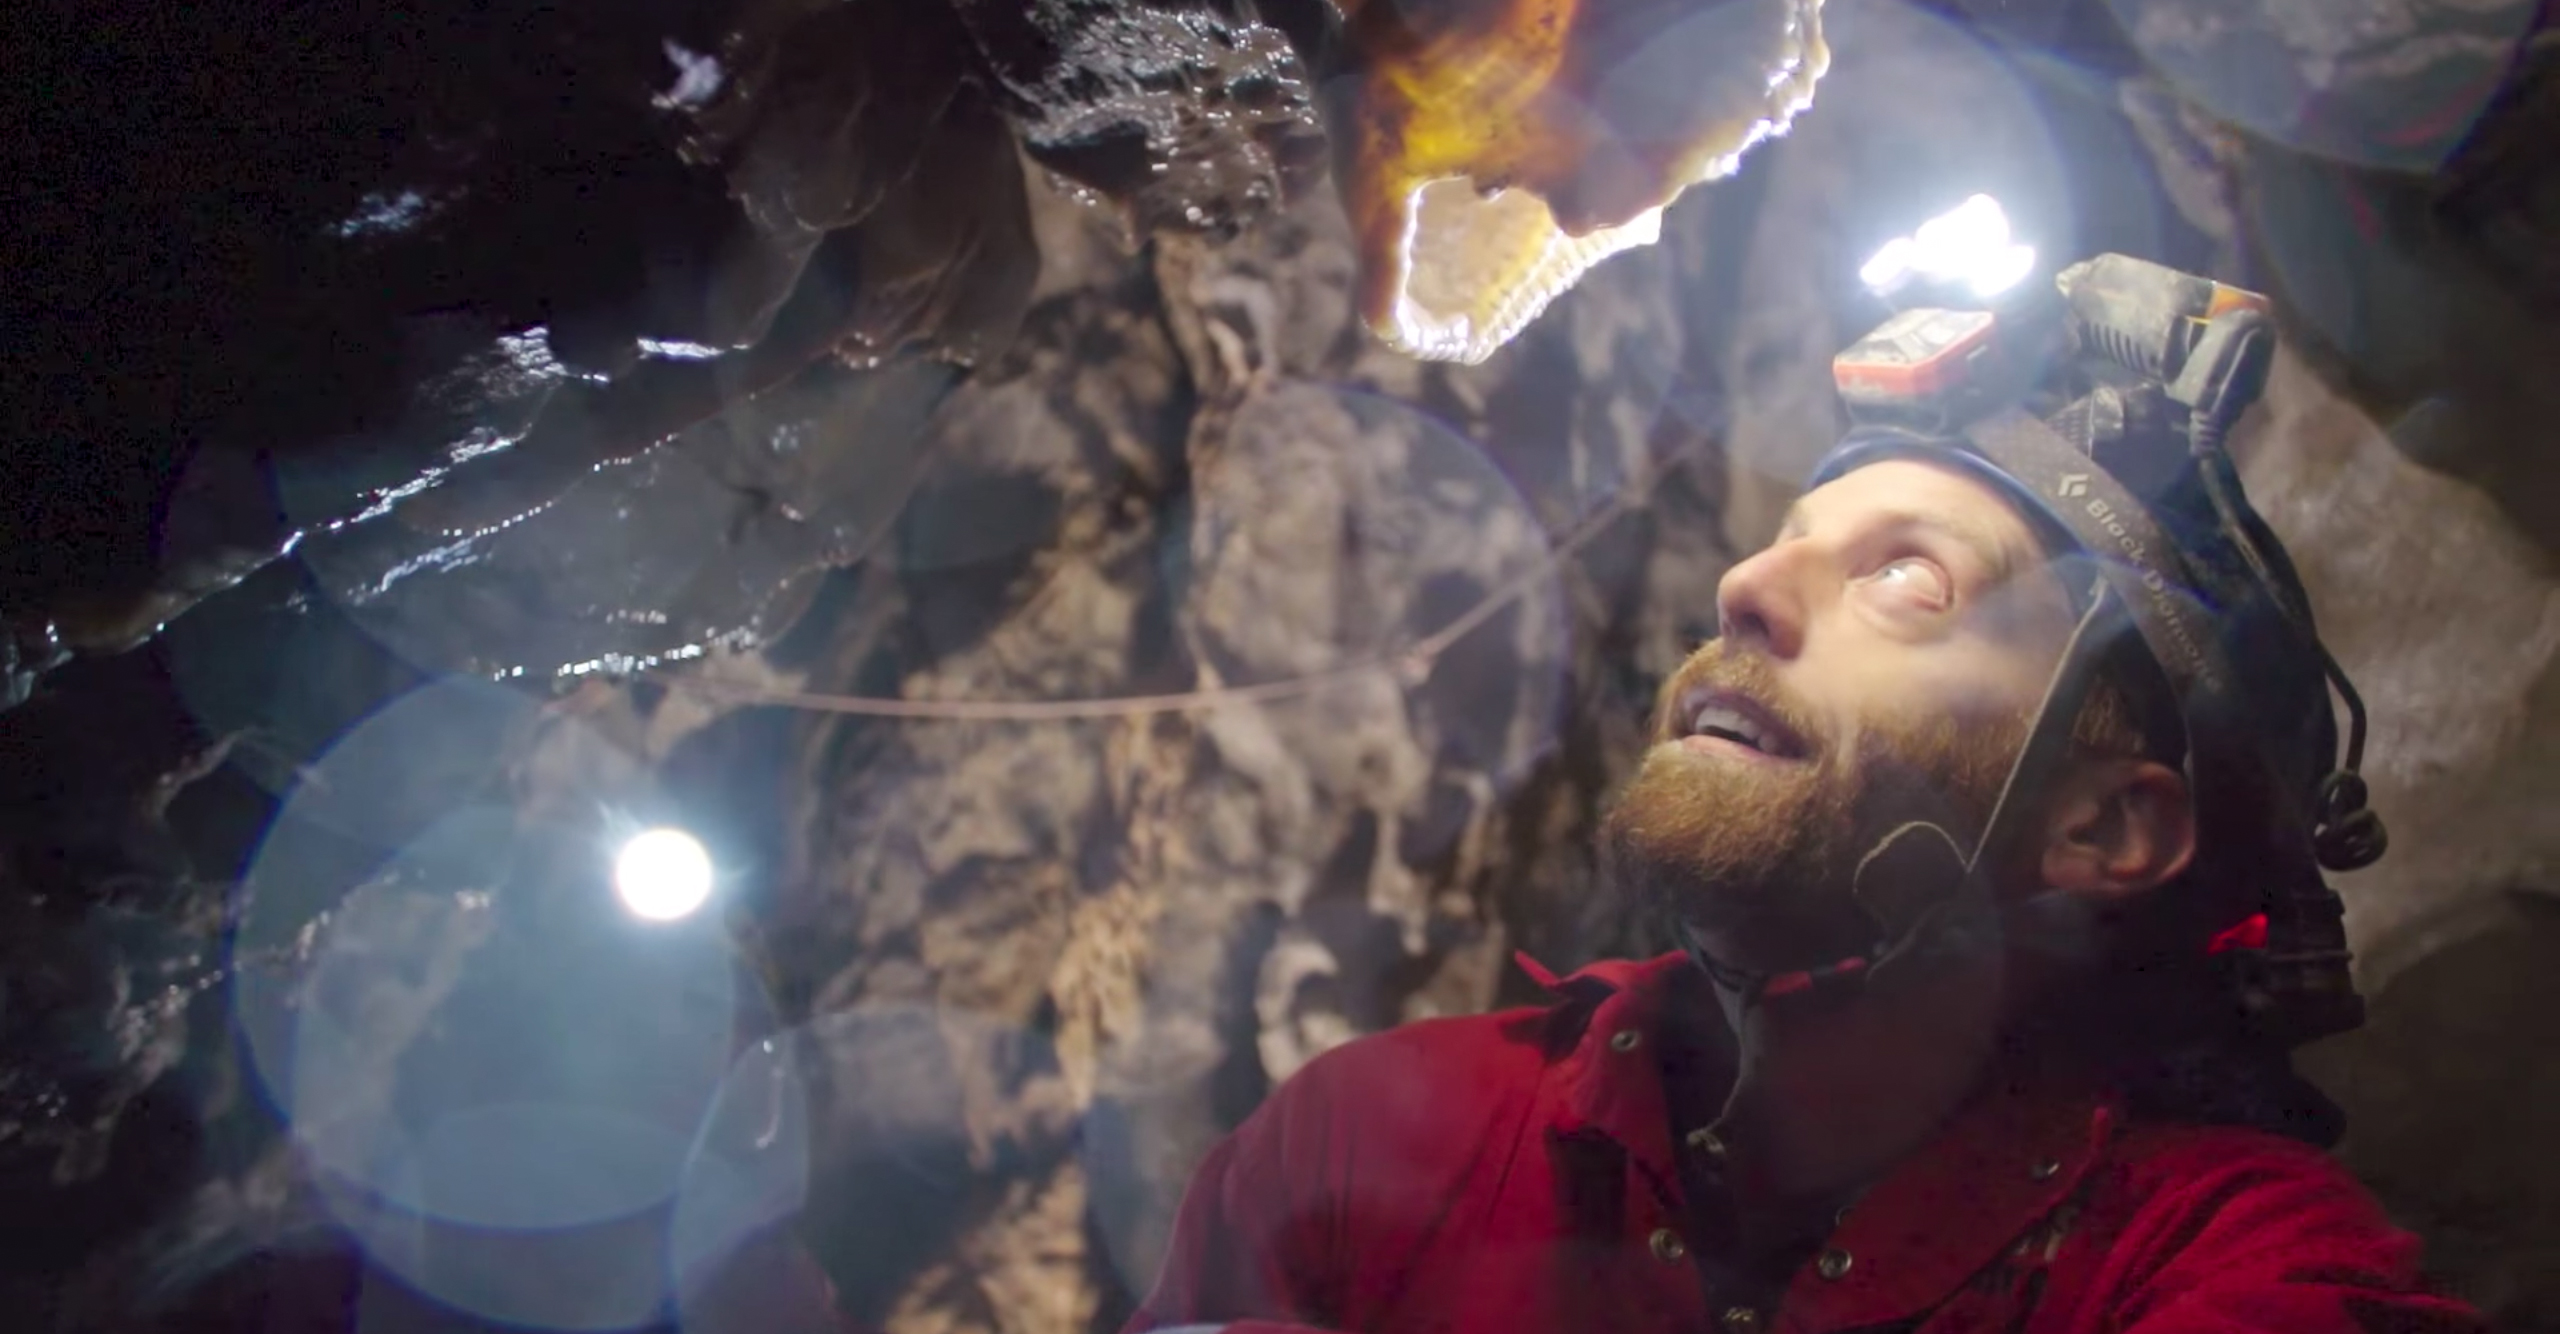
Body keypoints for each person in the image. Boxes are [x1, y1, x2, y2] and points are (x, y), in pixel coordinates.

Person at [1121, 415, 2483, 1334]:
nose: (1746, 585)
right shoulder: (1376, 1133)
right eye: (1785, 536)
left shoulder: (2223, 1259)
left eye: (1908, 578)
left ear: (2106, 830)